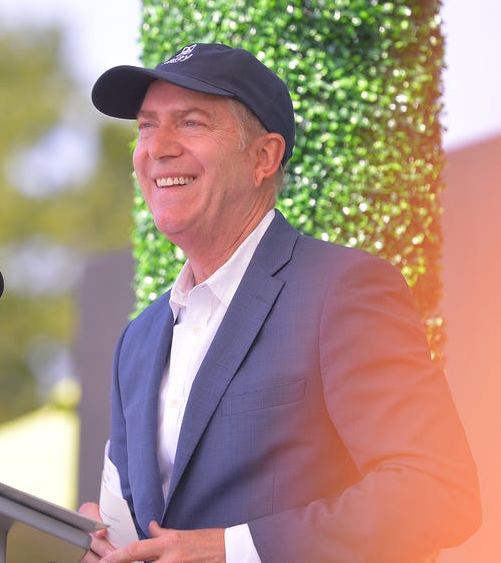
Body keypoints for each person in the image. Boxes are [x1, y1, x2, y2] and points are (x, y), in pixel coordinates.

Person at [79, 42, 481, 563]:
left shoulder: (344, 288)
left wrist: (230, 550)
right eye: (147, 125)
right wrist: (96, 538)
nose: (158, 147)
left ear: (263, 157)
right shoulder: (138, 340)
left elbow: (437, 491)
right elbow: (132, 528)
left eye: (192, 123)